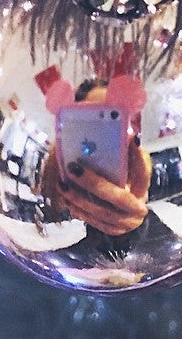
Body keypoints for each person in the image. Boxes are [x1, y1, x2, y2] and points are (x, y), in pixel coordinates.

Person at [39, 80, 152, 236]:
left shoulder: (142, 172)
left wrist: (136, 221)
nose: (101, 133)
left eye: (113, 119)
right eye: (91, 122)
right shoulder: (55, 172)